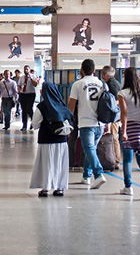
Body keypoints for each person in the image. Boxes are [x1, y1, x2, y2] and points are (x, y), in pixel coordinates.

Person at [67, 59, 107, 190]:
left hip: (86, 123)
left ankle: (99, 174)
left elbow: (71, 106)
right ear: (94, 70)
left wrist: (67, 121)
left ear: (82, 70)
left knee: (89, 149)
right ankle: (86, 176)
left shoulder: (78, 84)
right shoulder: (102, 84)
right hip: (100, 123)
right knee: (91, 150)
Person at [117, 67, 140, 199]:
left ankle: (128, 187)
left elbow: (124, 113)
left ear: (125, 78)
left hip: (130, 128)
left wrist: (124, 131)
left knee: (127, 160)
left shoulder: (122, 93)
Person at [30, 82, 72, 197]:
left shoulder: (42, 107)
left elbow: (35, 124)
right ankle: (60, 188)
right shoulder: (62, 104)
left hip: (46, 140)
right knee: (60, 164)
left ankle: (46, 188)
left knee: (47, 164)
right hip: (61, 141)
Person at [18, 65, 39, 131]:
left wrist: (30, 78)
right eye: (24, 69)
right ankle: (24, 125)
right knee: (24, 110)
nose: (26, 71)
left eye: (27, 69)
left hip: (31, 94)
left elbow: (35, 84)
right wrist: (19, 91)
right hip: (23, 94)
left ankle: (33, 122)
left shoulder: (33, 76)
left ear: (29, 70)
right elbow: (19, 85)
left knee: (29, 109)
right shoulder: (21, 77)